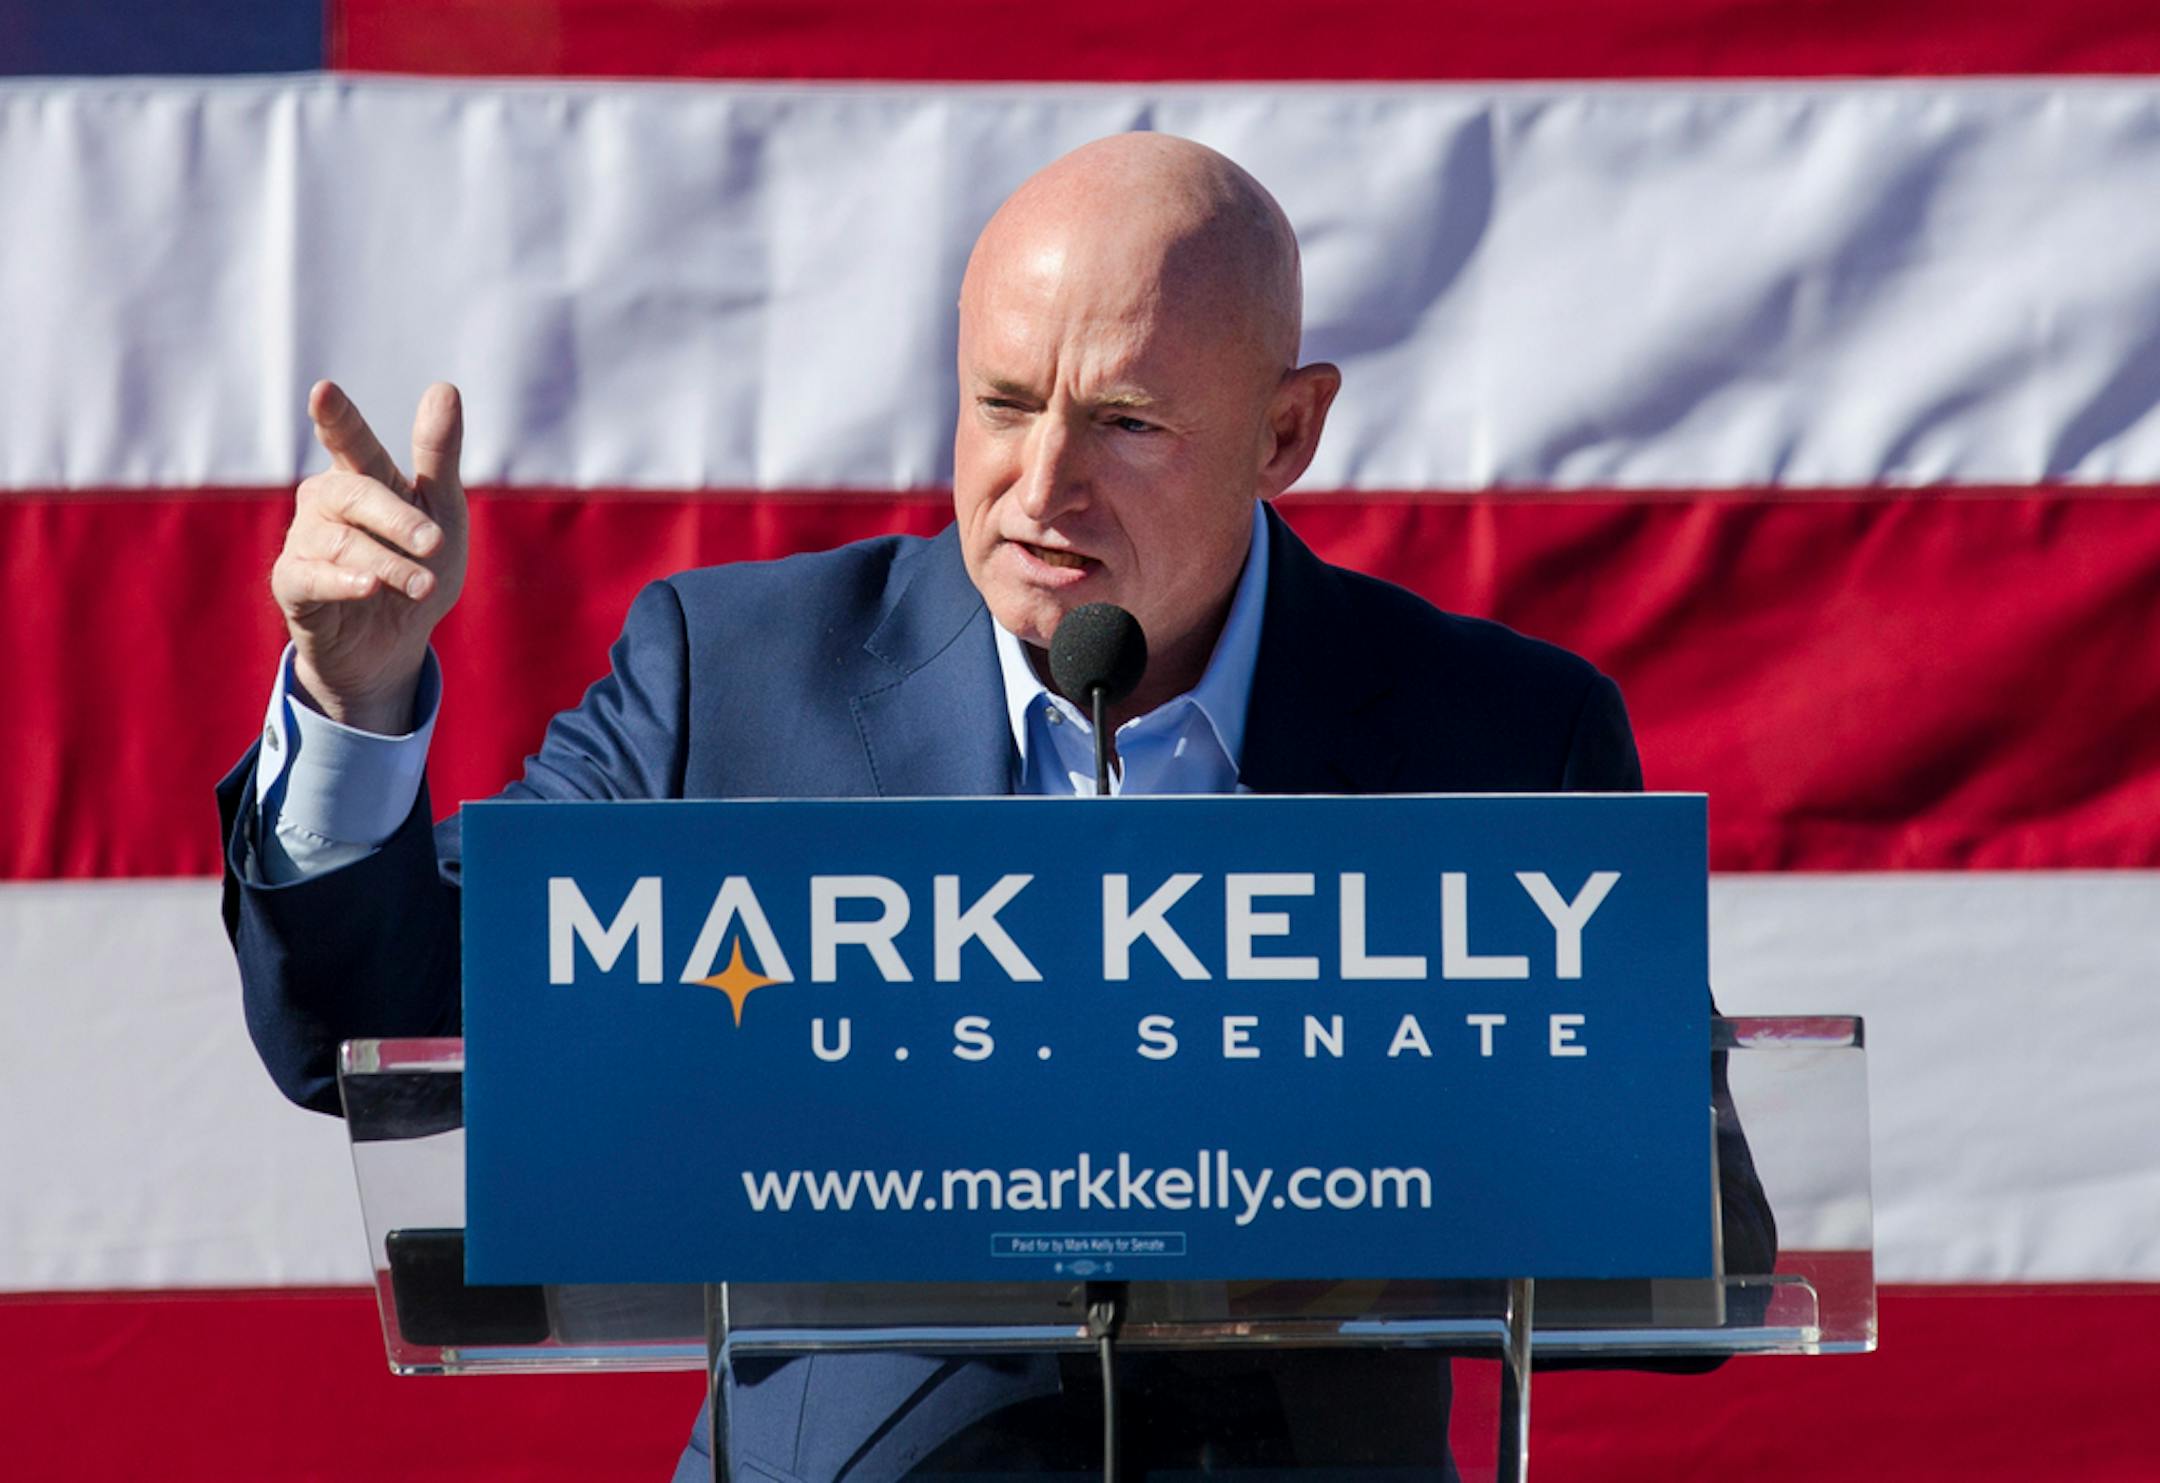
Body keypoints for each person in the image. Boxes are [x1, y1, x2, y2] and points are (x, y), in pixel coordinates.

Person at [220, 132, 1771, 1480]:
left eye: (1126, 422)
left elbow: (1698, 1261)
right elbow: (382, 1032)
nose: (1040, 487)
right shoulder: (733, 675)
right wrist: (355, 700)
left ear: (1285, 434)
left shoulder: (1499, 732)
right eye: (1006, 404)